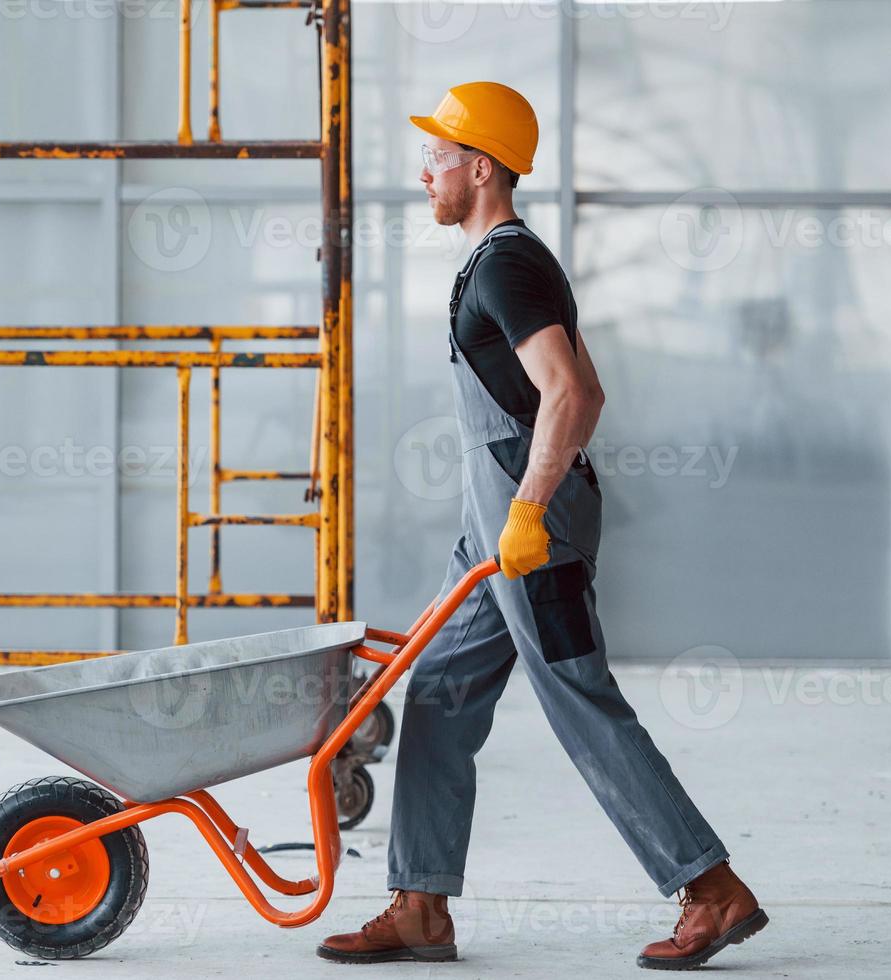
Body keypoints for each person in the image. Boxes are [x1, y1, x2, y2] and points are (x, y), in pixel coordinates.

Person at [315, 82, 768, 971]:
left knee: (578, 699)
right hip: (496, 522)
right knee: (440, 688)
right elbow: (569, 388)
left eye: (439, 158)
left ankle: (712, 891)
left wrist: (525, 512)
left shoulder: (507, 265)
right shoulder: (497, 262)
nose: (426, 173)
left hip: (531, 523)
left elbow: (573, 394)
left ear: (479, 168)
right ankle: (420, 906)